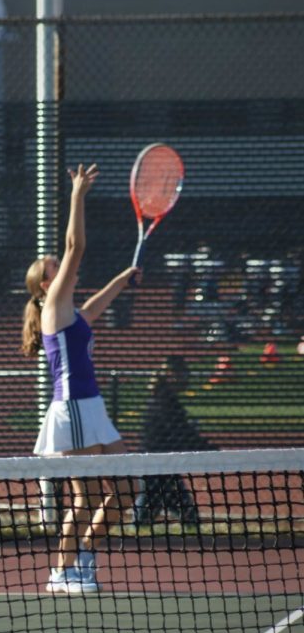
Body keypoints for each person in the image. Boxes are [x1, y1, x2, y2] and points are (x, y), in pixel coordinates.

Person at [21, 163, 138, 594]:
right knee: (85, 496)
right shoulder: (52, 306)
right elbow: (76, 244)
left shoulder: (71, 314)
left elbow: (94, 307)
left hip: (92, 407)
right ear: (44, 287)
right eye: (55, 267)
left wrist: (122, 281)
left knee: (126, 490)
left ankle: (84, 555)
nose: (63, 265)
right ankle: (60, 571)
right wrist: (77, 195)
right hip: (71, 409)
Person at [134, 355, 214, 527]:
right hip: (155, 465)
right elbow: (180, 432)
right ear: (171, 374)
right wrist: (206, 448)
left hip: (164, 465)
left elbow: (180, 431)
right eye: (182, 374)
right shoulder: (164, 401)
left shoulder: (166, 399)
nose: (186, 378)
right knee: (152, 510)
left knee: (156, 509)